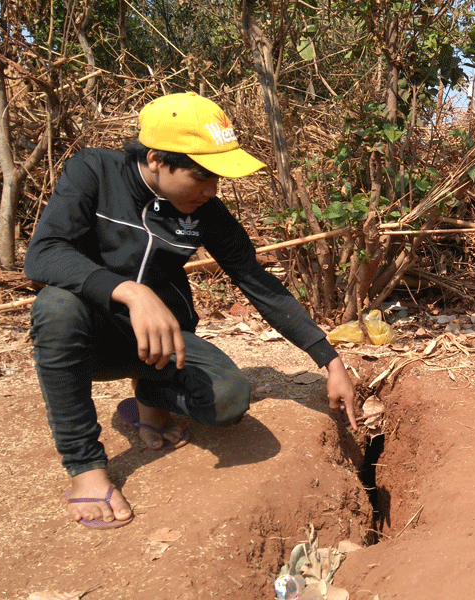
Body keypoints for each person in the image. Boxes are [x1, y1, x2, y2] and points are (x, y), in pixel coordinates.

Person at [24, 92, 357, 529]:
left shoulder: (205, 210)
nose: (211, 189)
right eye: (201, 175)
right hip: (90, 342)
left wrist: (330, 360)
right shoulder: (94, 172)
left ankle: (146, 396)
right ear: (158, 159)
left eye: (217, 177)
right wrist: (129, 291)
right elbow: (43, 254)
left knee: (229, 398)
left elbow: (256, 281)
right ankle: (86, 466)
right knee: (57, 306)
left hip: (163, 342)